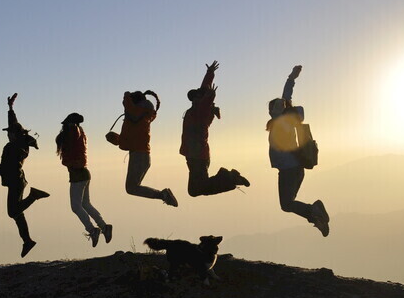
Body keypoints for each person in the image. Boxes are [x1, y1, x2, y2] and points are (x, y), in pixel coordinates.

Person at [267, 65, 330, 236]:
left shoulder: (282, 120)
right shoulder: (288, 121)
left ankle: (315, 211)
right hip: (293, 170)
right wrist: (291, 78)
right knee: (287, 204)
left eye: (272, 108)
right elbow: (287, 99)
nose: (270, 111)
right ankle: (316, 217)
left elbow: (285, 98)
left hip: (289, 170)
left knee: (286, 204)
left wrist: (291, 79)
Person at [0, 93, 50, 257]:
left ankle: (34, 196)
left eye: (9, 133)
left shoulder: (12, 148)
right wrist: (10, 108)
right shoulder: (20, 143)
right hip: (17, 180)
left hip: (15, 181)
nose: (7, 134)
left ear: (14, 135)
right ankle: (27, 241)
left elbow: (8, 165)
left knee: (12, 212)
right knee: (17, 213)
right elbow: (14, 125)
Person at [181, 61, 250, 196]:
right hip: (193, 155)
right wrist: (210, 73)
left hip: (198, 156)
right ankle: (228, 177)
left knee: (196, 190)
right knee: (194, 190)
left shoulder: (201, 111)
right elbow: (204, 89)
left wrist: (210, 95)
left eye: (195, 97)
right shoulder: (197, 109)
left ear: (200, 99)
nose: (193, 99)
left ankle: (229, 177)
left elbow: (206, 96)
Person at [55, 113, 112, 246]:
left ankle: (93, 230)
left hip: (78, 174)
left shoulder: (74, 132)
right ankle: (104, 227)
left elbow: (68, 149)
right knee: (85, 204)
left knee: (76, 206)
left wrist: (71, 126)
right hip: (83, 173)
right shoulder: (78, 133)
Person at [118, 89, 178, 207]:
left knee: (131, 188)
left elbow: (129, 107)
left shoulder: (138, 113)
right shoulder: (141, 116)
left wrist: (126, 95)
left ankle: (163, 194)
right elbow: (134, 138)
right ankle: (163, 194)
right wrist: (116, 139)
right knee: (131, 188)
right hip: (140, 156)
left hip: (139, 157)